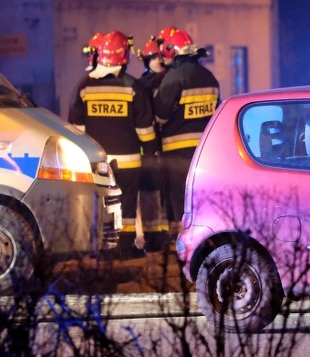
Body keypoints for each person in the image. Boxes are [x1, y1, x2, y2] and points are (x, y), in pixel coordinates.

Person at [69, 31, 158, 260]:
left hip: (96, 163)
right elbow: (145, 129)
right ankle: (125, 248)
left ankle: (101, 248)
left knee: (101, 204)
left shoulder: (84, 87)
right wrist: (150, 154)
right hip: (129, 163)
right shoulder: (133, 87)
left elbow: (76, 129)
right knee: (127, 207)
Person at [154, 27, 221, 234]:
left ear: (171, 51)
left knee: (179, 196)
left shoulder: (174, 77)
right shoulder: (210, 77)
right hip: (205, 150)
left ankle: (181, 240)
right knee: (202, 195)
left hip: (177, 151)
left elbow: (161, 115)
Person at [135, 33, 170, 252]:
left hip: (169, 142)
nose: (157, 60)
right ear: (146, 60)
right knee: (150, 191)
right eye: (152, 57)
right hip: (149, 145)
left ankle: (166, 234)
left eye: (159, 57)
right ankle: (152, 235)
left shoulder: (172, 80)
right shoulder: (141, 85)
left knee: (167, 192)